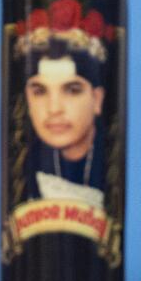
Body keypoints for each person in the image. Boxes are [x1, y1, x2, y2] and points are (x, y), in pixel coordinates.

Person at [23, 38, 109, 201]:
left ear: (97, 100)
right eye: (40, 91)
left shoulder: (111, 160)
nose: (54, 109)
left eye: (72, 90)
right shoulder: (22, 169)